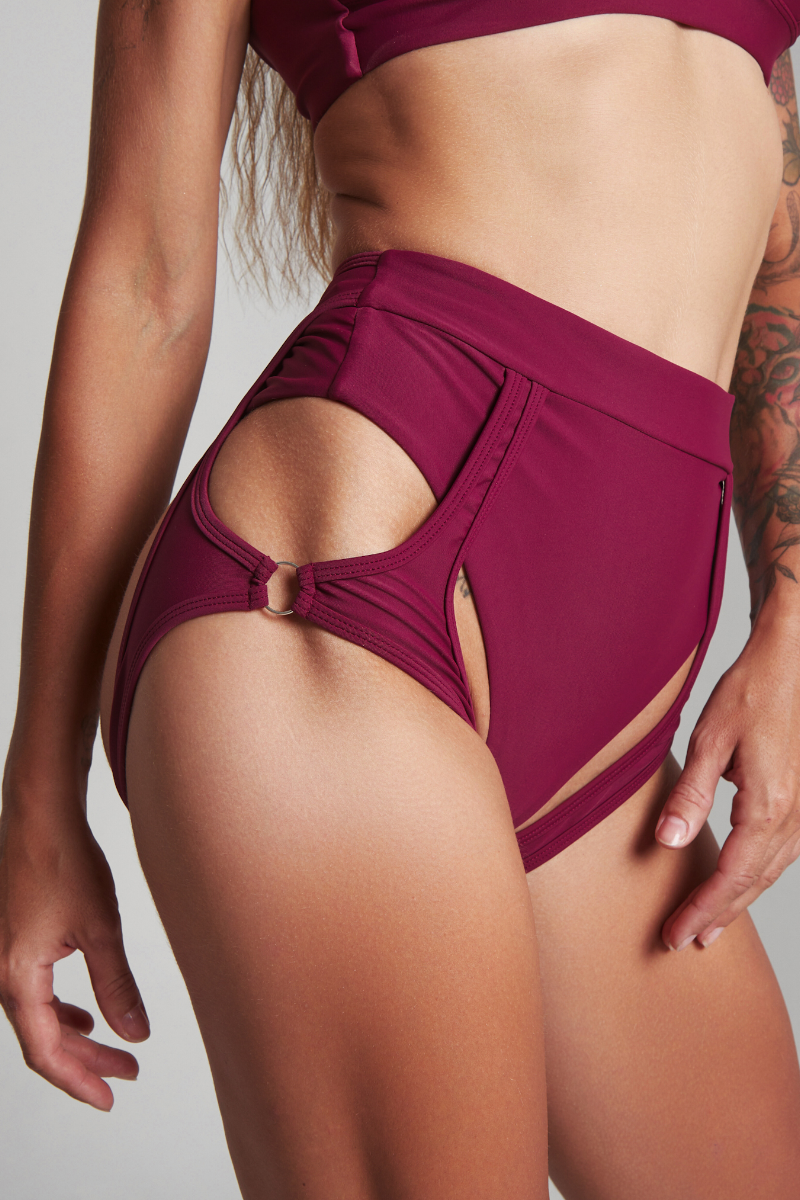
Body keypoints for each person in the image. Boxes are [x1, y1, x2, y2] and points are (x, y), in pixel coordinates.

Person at [2, 2, 800, 1196]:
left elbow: (769, 208)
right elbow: (145, 287)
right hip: (342, 605)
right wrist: (38, 794)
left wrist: (791, 613)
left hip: (611, 709)